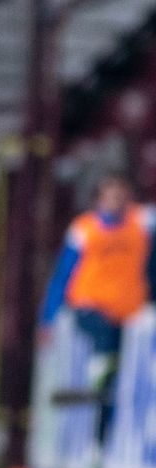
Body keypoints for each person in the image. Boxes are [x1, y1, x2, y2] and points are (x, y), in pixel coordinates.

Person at [38, 174, 156, 440]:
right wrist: (48, 317)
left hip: (126, 314)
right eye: (110, 197)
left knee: (115, 374)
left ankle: (100, 438)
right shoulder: (84, 230)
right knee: (103, 338)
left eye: (121, 196)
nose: (116, 202)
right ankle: (99, 372)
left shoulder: (141, 222)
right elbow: (62, 275)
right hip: (89, 306)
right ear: (98, 200)